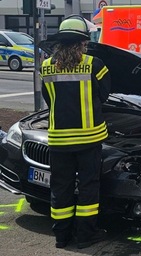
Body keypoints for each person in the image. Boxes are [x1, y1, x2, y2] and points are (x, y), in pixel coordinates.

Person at [41, 15, 110, 249]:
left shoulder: (46, 66)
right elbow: (105, 95)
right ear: (82, 42)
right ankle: (86, 235)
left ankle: (62, 236)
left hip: (59, 139)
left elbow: (48, 99)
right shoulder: (95, 64)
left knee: (61, 188)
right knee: (89, 187)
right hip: (89, 139)